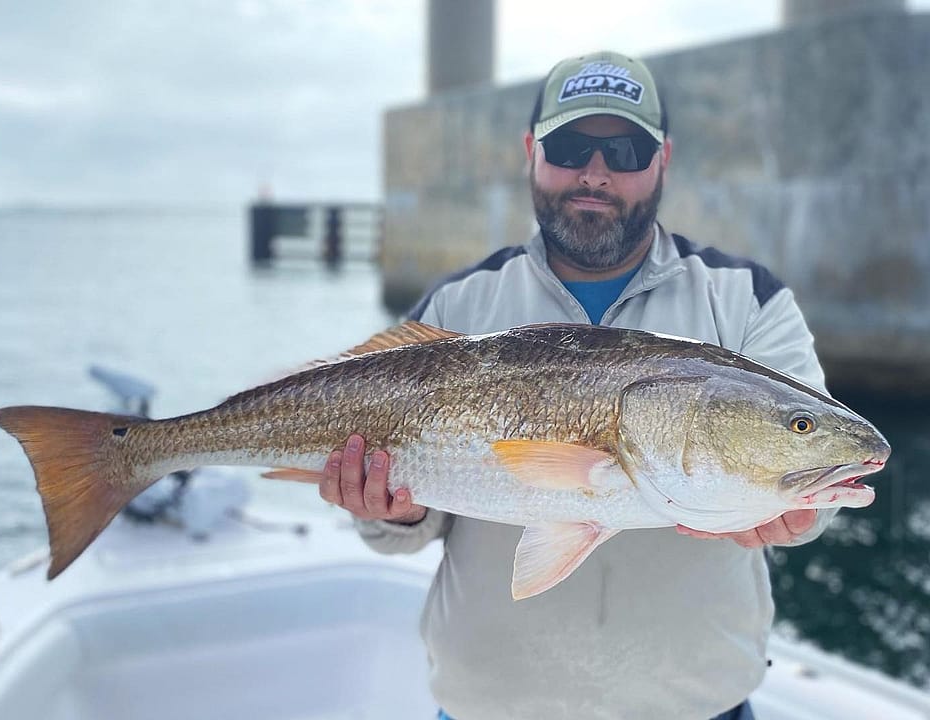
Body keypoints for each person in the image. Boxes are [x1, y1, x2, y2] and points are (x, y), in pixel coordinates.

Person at [319, 50, 834, 719]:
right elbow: (408, 531)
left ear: (663, 160)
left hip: (696, 708)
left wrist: (796, 518)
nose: (596, 173)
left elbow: (810, 464)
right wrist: (389, 513)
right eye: (569, 147)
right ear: (531, 150)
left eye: (624, 150)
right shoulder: (458, 305)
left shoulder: (747, 301)